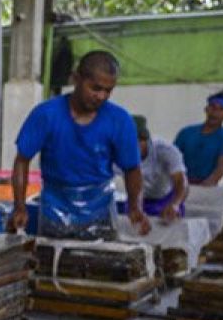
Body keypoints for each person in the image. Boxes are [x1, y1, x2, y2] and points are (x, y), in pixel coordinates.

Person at [8, 50, 150, 239]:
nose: (101, 96)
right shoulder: (46, 115)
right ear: (76, 79)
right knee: (54, 265)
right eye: (95, 88)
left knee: (100, 265)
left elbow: (132, 169)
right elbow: (22, 159)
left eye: (108, 91)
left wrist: (135, 207)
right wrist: (19, 207)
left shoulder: (120, 120)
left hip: (100, 214)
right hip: (54, 212)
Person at [127, 114, 187, 223]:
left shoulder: (165, 150)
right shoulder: (115, 153)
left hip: (165, 199)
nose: (133, 146)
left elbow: (180, 180)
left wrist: (175, 204)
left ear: (145, 139)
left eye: (138, 141)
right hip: (137, 199)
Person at [174, 90, 223, 186]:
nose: (215, 113)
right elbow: (172, 158)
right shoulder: (186, 132)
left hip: (205, 187)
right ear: (206, 109)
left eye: (221, 109)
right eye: (213, 107)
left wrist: (207, 184)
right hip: (178, 183)